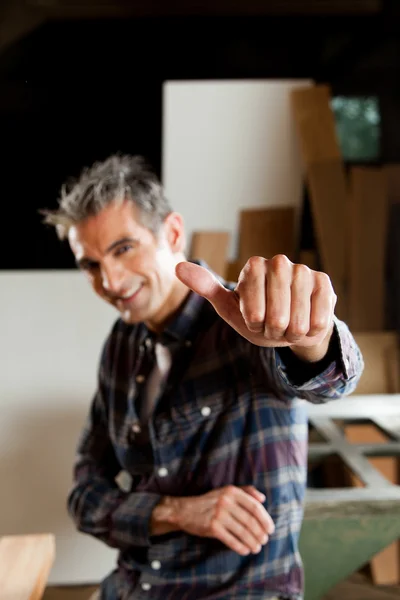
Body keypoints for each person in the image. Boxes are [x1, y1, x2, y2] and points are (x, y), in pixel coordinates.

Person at [43, 154, 363, 600]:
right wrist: (177, 512)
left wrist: (311, 335)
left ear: (172, 233)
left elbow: (330, 380)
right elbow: (84, 498)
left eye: (123, 248)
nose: (110, 281)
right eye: (91, 265)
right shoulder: (119, 346)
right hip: (134, 586)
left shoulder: (245, 324)